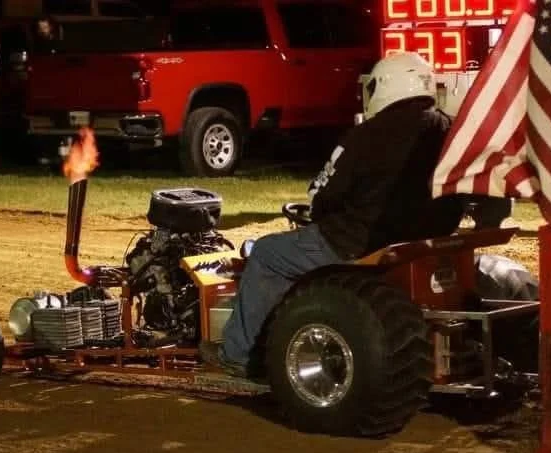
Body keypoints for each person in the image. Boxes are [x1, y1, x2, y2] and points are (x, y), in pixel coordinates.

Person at [199, 52, 466, 378]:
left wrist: (322, 211)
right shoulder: (451, 130)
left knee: (268, 253)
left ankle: (238, 353)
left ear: (385, 86)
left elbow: (324, 195)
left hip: (358, 241)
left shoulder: (368, 134)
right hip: (422, 239)